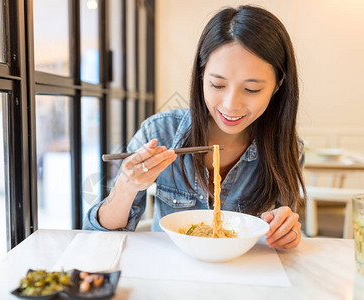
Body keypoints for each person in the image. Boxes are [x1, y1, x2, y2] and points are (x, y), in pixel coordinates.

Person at [83, 5, 306, 250]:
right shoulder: (160, 132)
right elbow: (97, 236)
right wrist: (126, 186)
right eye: (217, 85)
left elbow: (283, 229)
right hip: (171, 275)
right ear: (201, 76)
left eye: (252, 89)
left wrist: (287, 233)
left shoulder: (285, 147)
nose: (231, 105)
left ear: (278, 85)